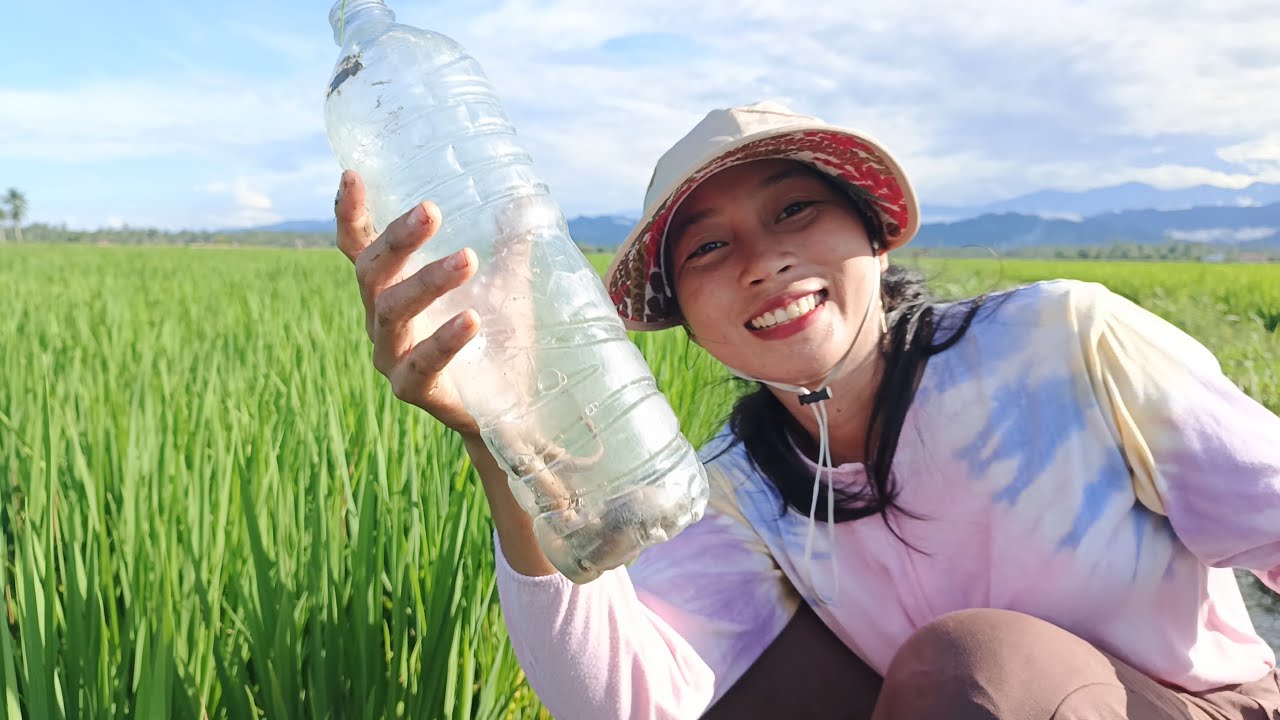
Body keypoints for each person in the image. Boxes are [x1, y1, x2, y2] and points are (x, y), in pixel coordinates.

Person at [333, 101, 1280, 719]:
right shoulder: (739, 492)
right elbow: (628, 701)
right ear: (684, 321)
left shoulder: (1062, 343)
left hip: (1198, 706)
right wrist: (503, 430)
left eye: (795, 213)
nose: (763, 260)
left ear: (869, 233)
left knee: (966, 669)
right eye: (708, 250)